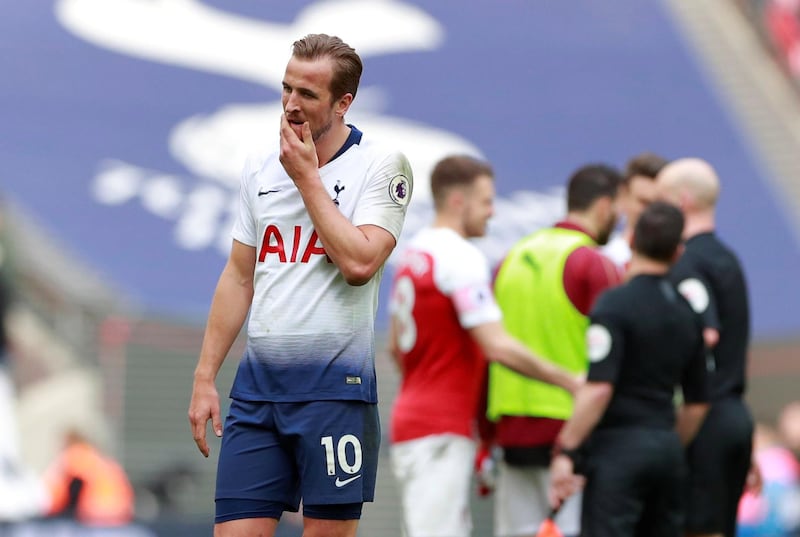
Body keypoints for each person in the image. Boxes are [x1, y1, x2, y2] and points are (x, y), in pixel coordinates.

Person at [187, 34, 413, 537]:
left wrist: (308, 180)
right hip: (258, 393)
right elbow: (239, 276)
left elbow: (359, 263)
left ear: (343, 102)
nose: (291, 105)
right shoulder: (259, 167)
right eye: (286, 89)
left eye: (308, 95)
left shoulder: (382, 165)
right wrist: (205, 377)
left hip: (336, 393)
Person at [387, 155, 581, 537]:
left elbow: (396, 346)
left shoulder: (414, 253)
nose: (492, 212)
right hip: (440, 427)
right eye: (487, 201)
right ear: (459, 201)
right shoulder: (460, 257)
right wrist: (570, 380)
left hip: (413, 418)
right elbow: (497, 345)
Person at [547, 201, 711, 537]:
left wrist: (567, 449)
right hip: (667, 450)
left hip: (617, 453)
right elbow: (697, 403)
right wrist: (666, 443)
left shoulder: (613, 304)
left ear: (632, 239)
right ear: (677, 253)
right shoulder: (687, 312)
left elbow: (599, 388)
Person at [486, 163, 623, 537]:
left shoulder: (509, 259)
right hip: (572, 433)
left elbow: (486, 349)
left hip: (512, 429)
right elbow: (619, 354)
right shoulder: (595, 264)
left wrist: (486, 436)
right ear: (605, 206)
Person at [657, 157, 756, 537]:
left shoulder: (688, 263)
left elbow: (702, 339)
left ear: (682, 201)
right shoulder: (728, 259)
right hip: (734, 414)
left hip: (704, 419)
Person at [43, 428, 135, 527]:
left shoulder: (75, 455)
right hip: (122, 513)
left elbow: (55, 491)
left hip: (96, 512)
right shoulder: (101, 458)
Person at [603, 151, 669, 268]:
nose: (651, 211)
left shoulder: (682, 263)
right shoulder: (605, 259)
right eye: (644, 202)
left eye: (658, 204)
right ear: (623, 196)